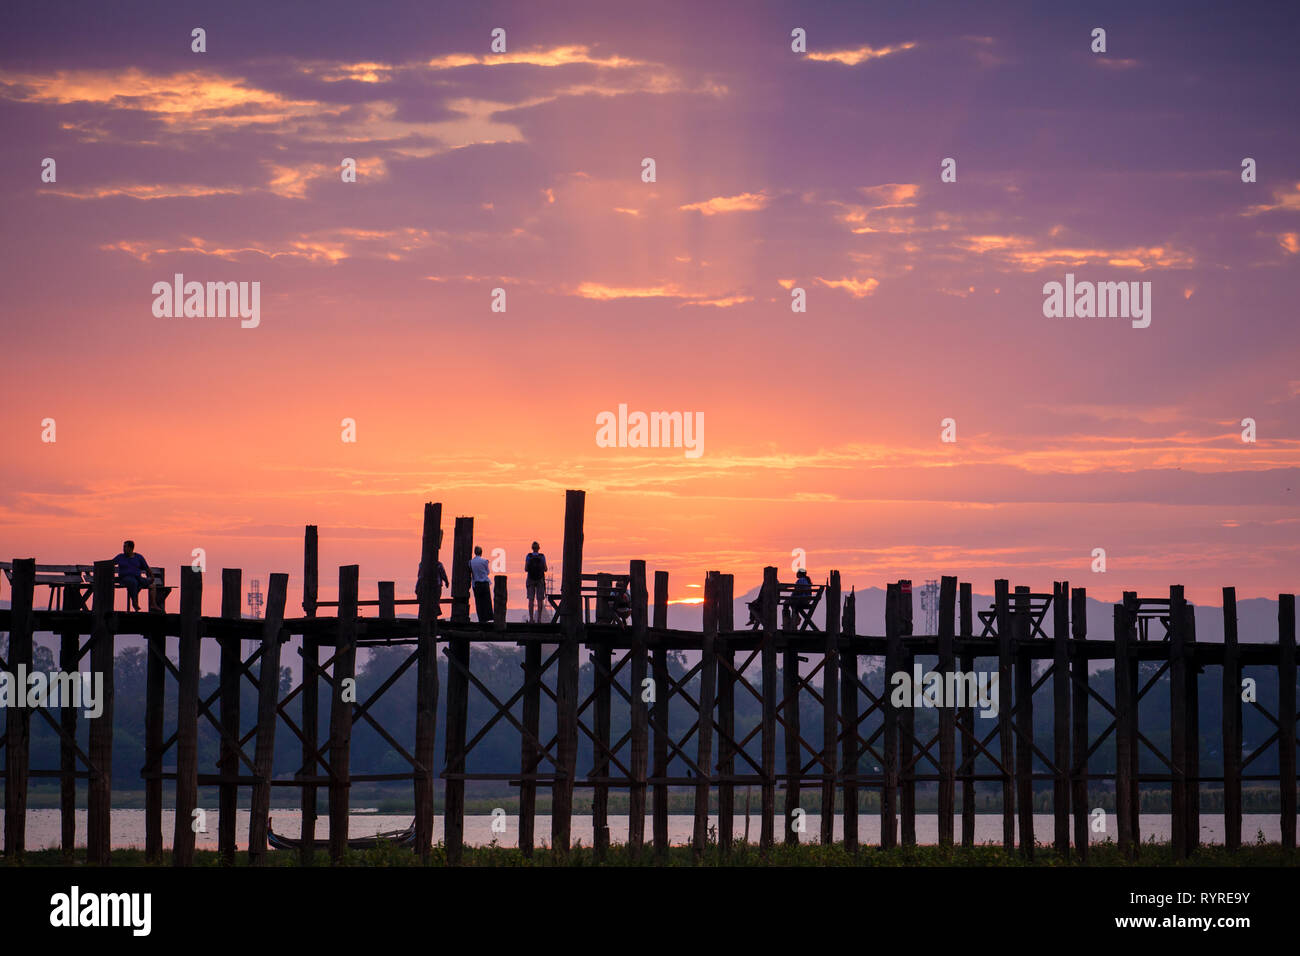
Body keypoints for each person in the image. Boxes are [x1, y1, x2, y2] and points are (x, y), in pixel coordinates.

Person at [113, 539, 151, 612]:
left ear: (130, 548)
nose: (123, 549)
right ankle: (134, 602)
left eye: (125, 547)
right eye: (123, 547)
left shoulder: (138, 557)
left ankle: (153, 605)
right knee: (133, 583)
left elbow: (146, 567)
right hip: (124, 578)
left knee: (151, 584)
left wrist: (151, 576)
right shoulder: (120, 556)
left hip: (137, 577)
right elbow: (110, 564)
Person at [524, 541, 548, 623]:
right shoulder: (542, 556)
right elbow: (545, 569)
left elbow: (526, 569)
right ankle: (539, 619)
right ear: (539, 548)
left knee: (531, 599)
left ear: (532, 548)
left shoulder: (529, 556)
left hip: (530, 579)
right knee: (540, 600)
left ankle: (531, 619)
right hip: (540, 579)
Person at [470, 545, 493, 623]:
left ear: (474, 552)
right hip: (485, 583)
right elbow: (488, 572)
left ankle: (481, 618)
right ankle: (488, 618)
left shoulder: (470, 562)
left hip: (476, 584)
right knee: (486, 601)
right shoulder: (485, 561)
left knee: (479, 602)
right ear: (481, 552)